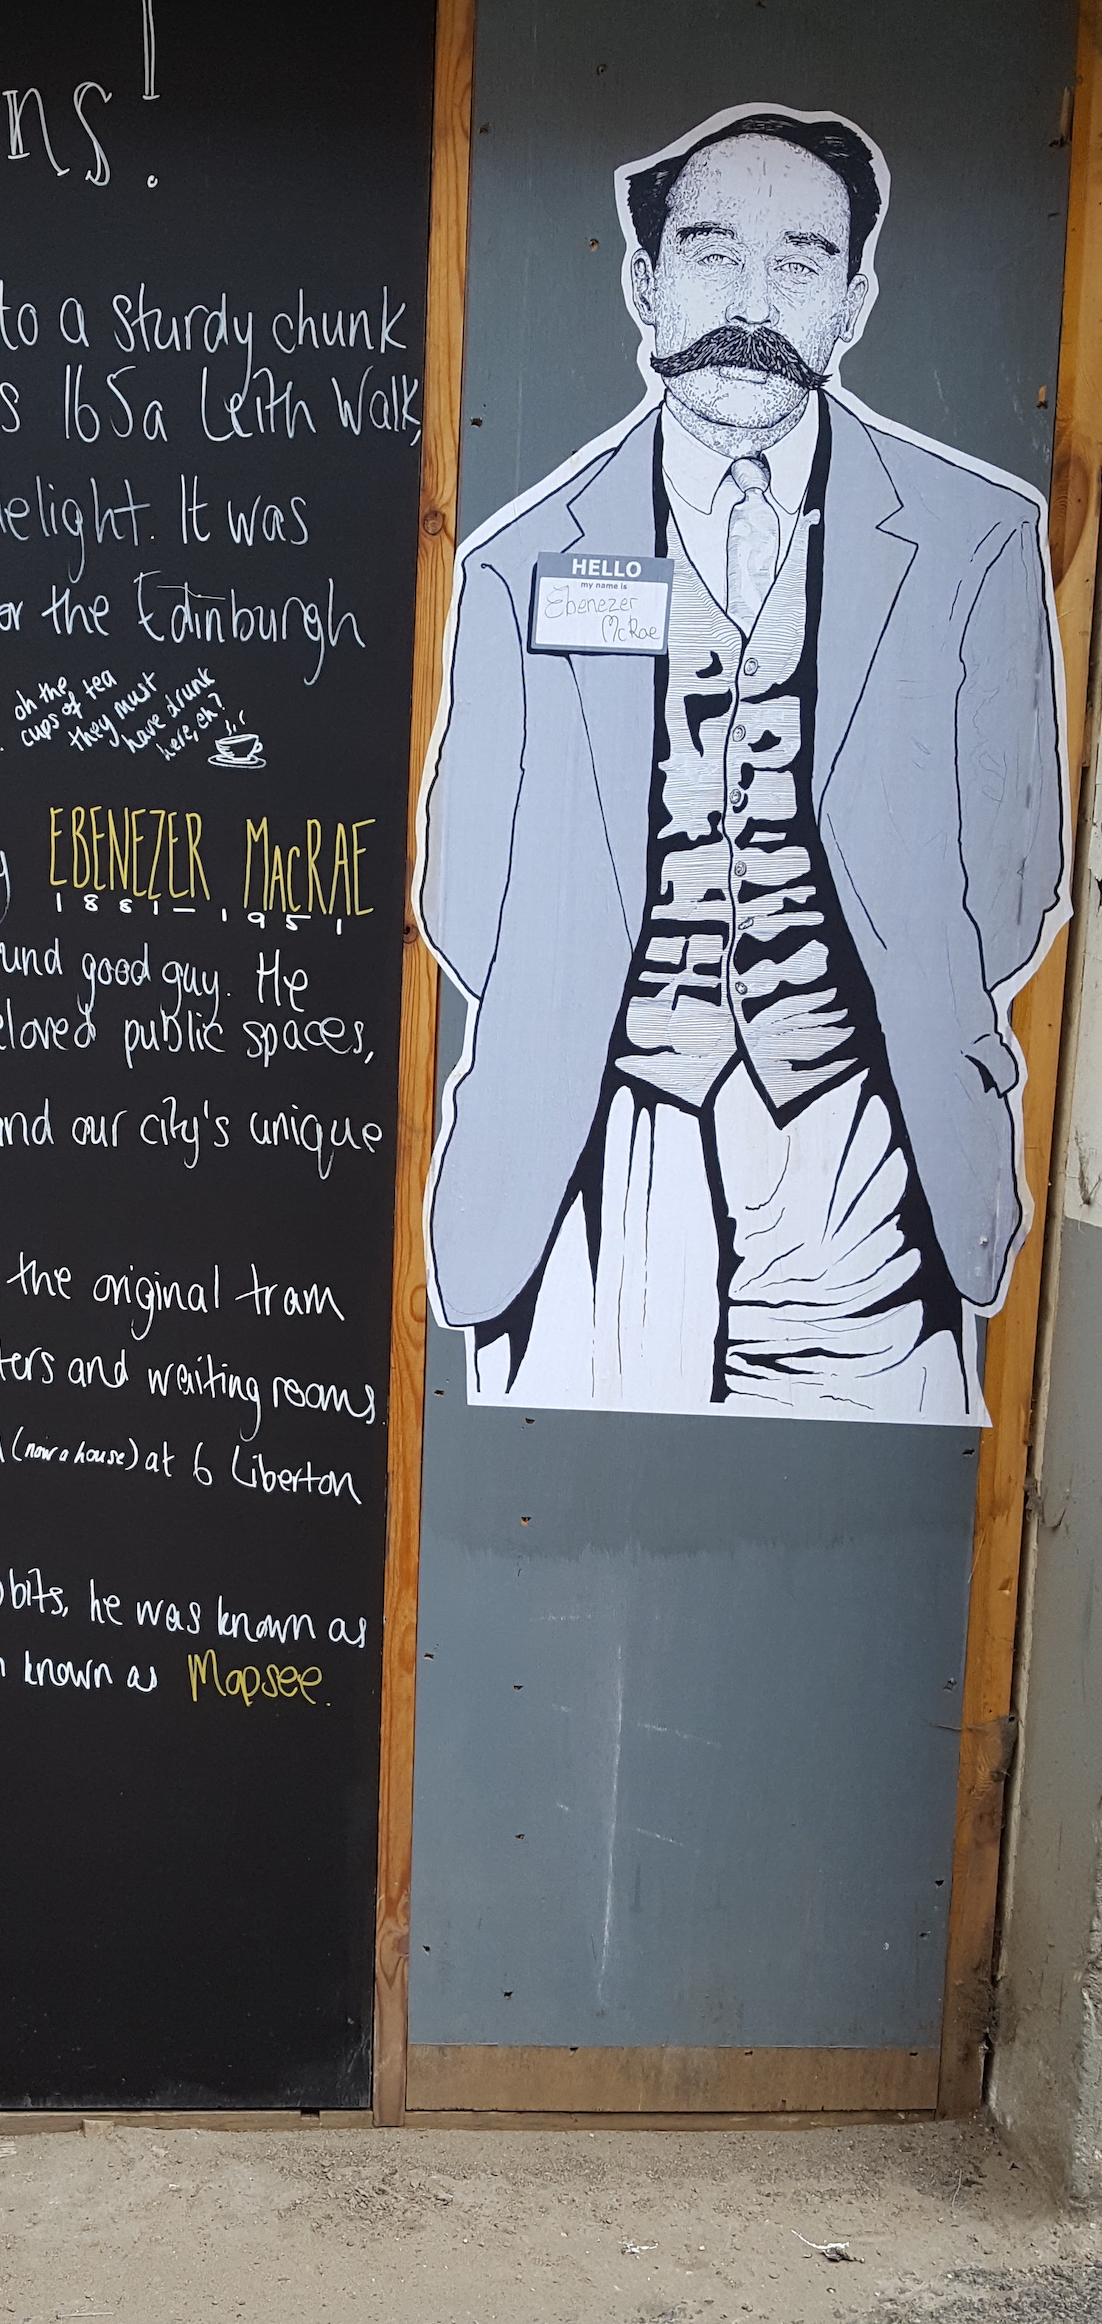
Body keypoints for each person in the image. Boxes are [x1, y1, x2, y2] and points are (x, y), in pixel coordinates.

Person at [418, 103, 1066, 1423]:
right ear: (645, 285)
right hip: (590, 1158)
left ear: (856, 302)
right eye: (713, 255)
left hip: (870, 1159)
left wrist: (865, 1014)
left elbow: (1019, 877)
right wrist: (597, 1016)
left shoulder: (980, 544)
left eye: (800, 263)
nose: (752, 305)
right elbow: (461, 894)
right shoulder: (518, 561)